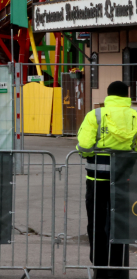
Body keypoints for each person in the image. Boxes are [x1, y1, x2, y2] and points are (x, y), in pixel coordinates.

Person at [77, 80, 137, 278]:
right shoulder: (135, 115)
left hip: (96, 181)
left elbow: (84, 146)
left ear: (108, 95)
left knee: (96, 223)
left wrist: (82, 152)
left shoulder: (95, 115)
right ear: (126, 95)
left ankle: (100, 268)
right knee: (120, 223)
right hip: (123, 181)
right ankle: (118, 268)